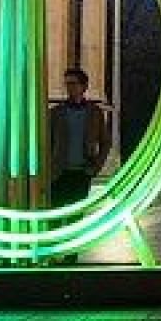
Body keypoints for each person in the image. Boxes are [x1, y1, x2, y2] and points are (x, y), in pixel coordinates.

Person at [48, 67, 110, 213]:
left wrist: (97, 165)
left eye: (73, 84)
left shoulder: (95, 113)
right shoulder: (55, 113)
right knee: (56, 213)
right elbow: (46, 143)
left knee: (75, 214)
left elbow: (105, 141)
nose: (69, 88)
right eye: (67, 84)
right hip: (59, 172)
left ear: (84, 86)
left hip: (82, 172)